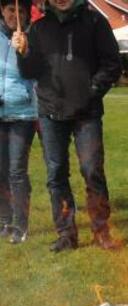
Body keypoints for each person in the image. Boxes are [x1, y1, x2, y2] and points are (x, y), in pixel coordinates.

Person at [13, 0, 122, 252]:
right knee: (56, 174)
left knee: (92, 170)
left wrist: (91, 91)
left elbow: (112, 64)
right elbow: (31, 72)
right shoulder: (38, 28)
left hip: (88, 113)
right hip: (50, 111)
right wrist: (24, 52)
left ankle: (101, 230)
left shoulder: (95, 22)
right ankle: (66, 234)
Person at [1, 0, 36, 244]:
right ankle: (4, 220)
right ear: (2, 10)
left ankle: (21, 224)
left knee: (16, 171)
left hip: (22, 113)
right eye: (11, 9)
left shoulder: (33, 38)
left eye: (20, 11)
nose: (15, 15)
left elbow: (38, 71)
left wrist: (25, 52)